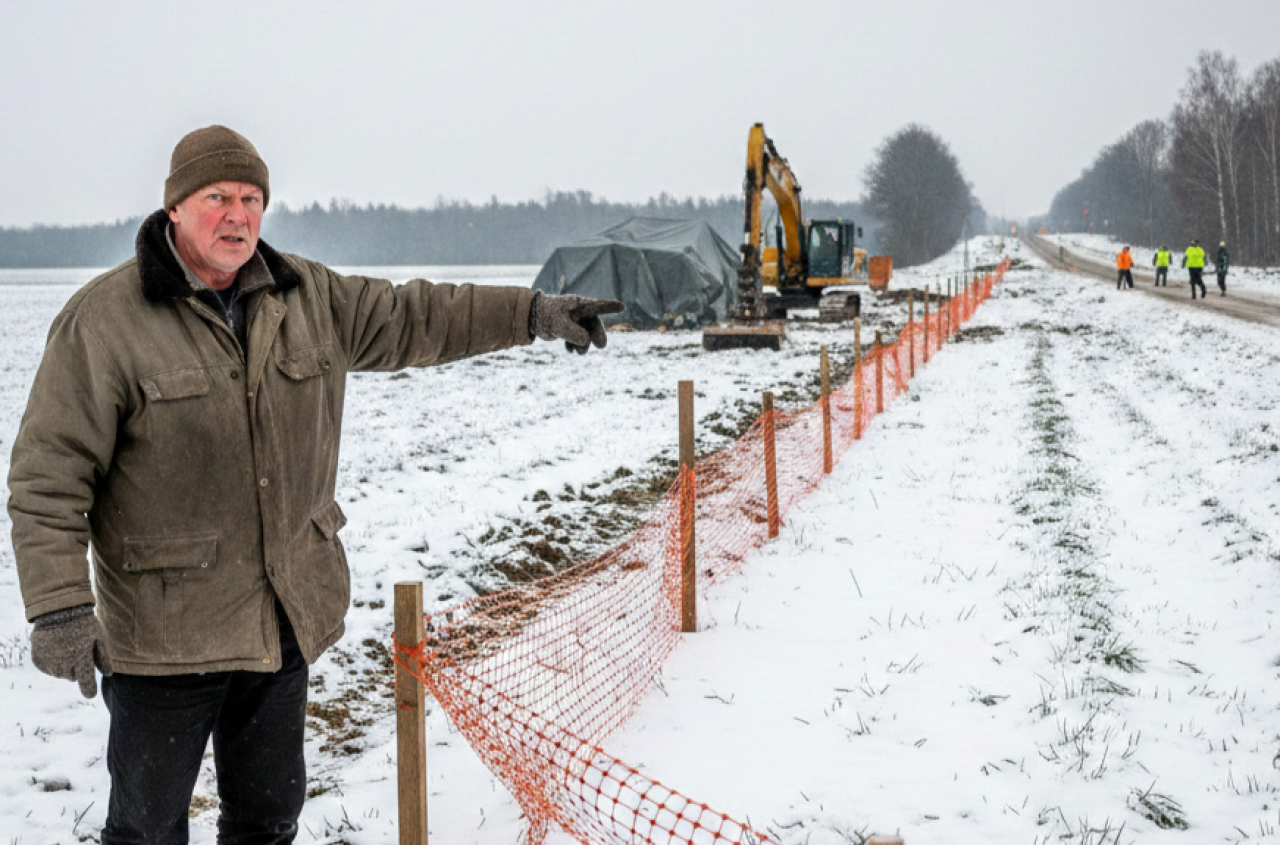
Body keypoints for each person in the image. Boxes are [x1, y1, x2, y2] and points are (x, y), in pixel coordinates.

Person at [7, 125, 623, 845]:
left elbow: (419, 314)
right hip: (163, 638)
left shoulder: (308, 296)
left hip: (281, 621)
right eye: (217, 197)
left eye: (250, 198)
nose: (237, 214)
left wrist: (533, 314)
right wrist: (58, 608)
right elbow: (49, 476)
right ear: (174, 207)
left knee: (267, 820)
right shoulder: (106, 321)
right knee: (146, 830)